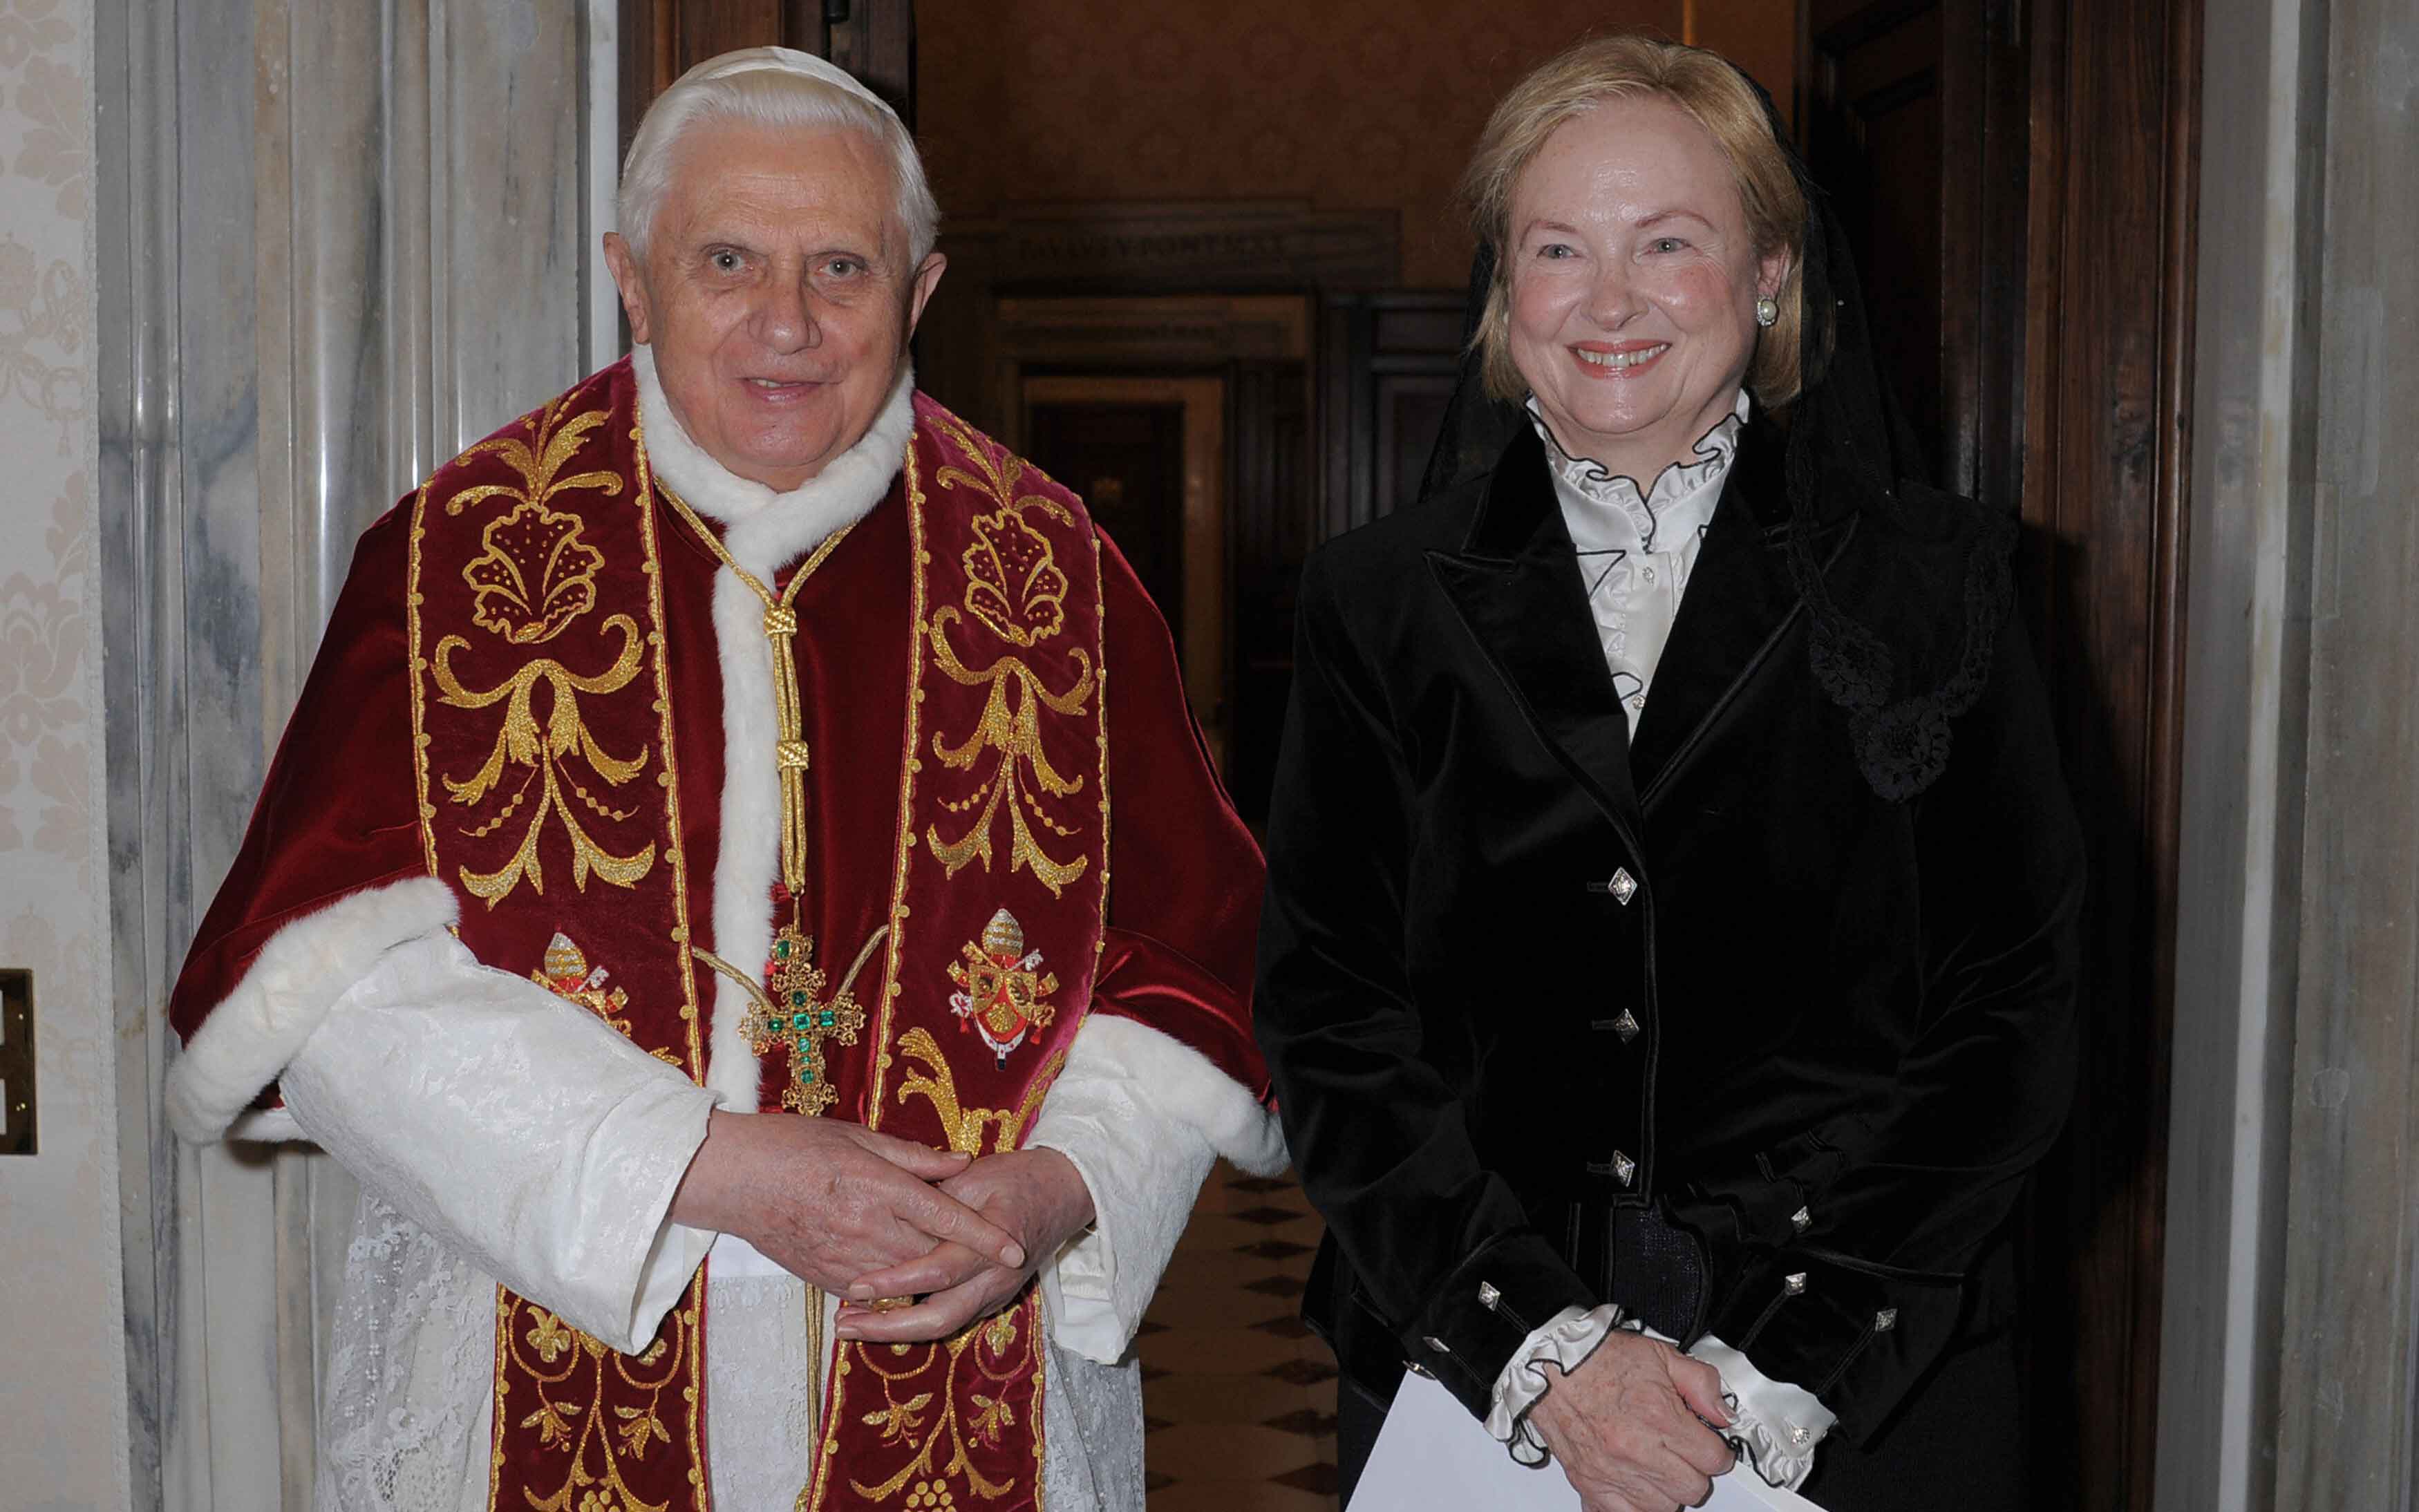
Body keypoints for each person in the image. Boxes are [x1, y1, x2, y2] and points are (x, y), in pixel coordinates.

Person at [163, 47, 1280, 1512]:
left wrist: (1057, 1188)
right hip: (552, 1318)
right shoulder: (457, 560)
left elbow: (1181, 967)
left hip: (965, 1349)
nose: (788, 323)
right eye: (729, 260)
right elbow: (329, 995)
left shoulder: (1053, 572)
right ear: (633, 278)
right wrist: (705, 1165)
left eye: (842, 268)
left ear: (921, 293)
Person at [1255, 33, 2082, 1512]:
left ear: (1769, 271)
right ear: (1505, 290)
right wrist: (1544, 1349)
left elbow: (2010, 1009)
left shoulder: (1938, 581)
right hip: (1474, 1379)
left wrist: (1782, 1356)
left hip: (1863, 1384)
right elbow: (1331, 1020)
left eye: (1668, 243)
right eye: (1558, 247)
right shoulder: (1371, 599)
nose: (1610, 300)